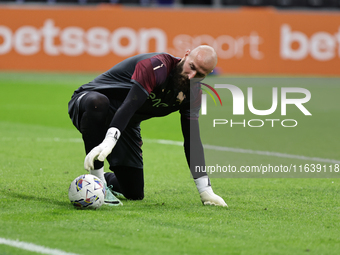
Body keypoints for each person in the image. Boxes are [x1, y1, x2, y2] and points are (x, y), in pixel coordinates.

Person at [68, 45, 227, 207]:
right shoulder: (156, 67)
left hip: (126, 123)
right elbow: (130, 104)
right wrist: (110, 139)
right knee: (98, 103)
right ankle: (98, 182)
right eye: (191, 67)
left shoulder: (193, 93)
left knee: (134, 192)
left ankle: (105, 179)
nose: (191, 76)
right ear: (186, 55)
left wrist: (205, 190)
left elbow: (192, 139)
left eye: (200, 74)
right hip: (89, 103)